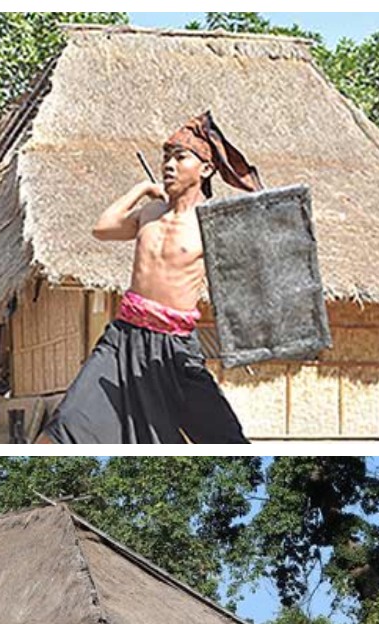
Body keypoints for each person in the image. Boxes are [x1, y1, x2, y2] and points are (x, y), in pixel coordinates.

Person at [42, 112, 260, 444]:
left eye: (180, 157)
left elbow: (250, 278)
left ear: (206, 169)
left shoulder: (213, 225)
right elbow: (102, 228)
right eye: (166, 158)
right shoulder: (150, 214)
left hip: (174, 347)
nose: (169, 165)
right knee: (67, 424)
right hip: (123, 337)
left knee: (226, 439)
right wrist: (142, 189)